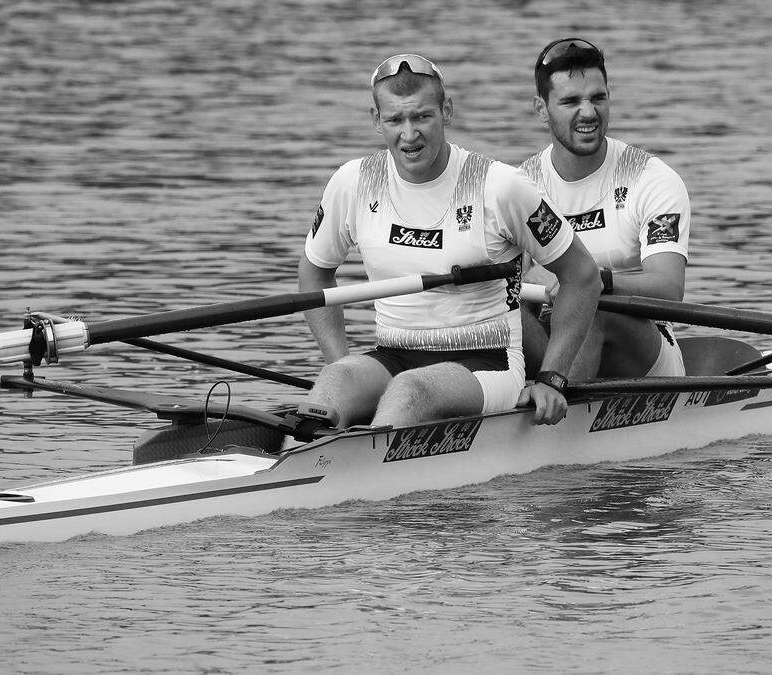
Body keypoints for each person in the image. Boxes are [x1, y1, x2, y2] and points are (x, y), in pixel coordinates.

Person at [287, 53, 600, 438]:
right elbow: (314, 271)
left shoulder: (501, 187)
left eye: (422, 117)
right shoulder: (352, 182)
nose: (409, 134)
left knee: (409, 389)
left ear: (446, 111)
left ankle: (362, 471)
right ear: (375, 120)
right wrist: (345, 364)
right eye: (395, 120)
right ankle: (306, 461)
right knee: (333, 383)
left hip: (488, 363)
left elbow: (582, 276)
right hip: (392, 353)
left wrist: (552, 379)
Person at [519, 38, 691, 380]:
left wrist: (592, 281)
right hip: (553, 341)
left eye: (598, 98)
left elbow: (669, 287)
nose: (588, 113)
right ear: (541, 109)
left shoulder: (651, 179)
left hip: (644, 351)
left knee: (589, 304)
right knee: (495, 304)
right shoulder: (523, 185)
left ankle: (554, 405)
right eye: (570, 101)